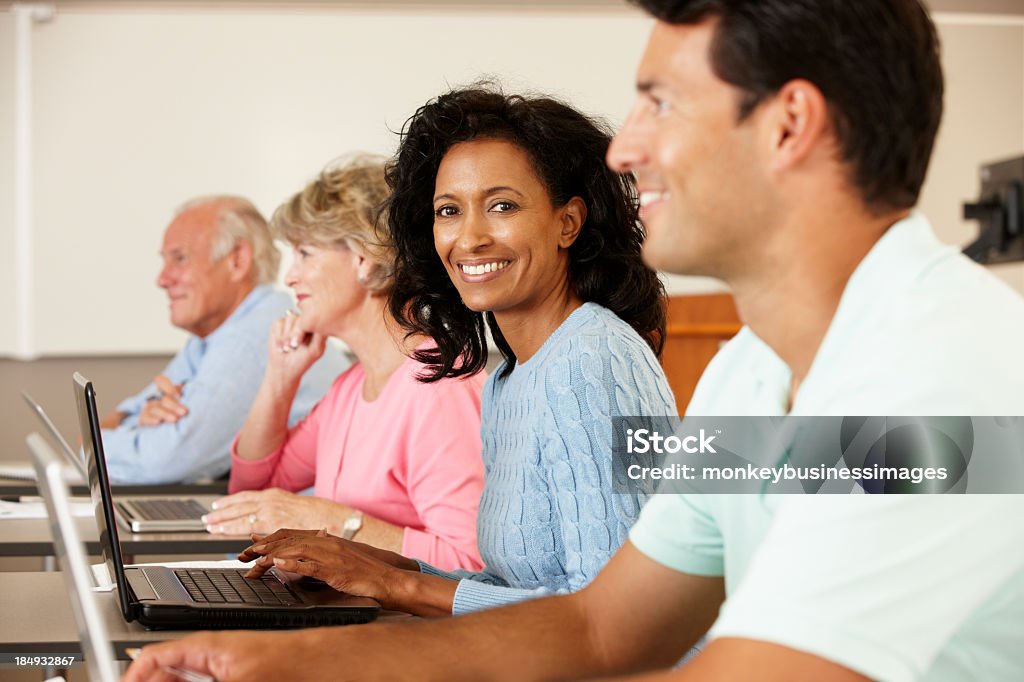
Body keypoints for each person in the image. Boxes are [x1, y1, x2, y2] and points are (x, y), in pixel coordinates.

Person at [125, 1, 1024, 680]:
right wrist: (283, 661)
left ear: (790, 123)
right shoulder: (749, 375)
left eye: (660, 103)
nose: (626, 149)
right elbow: (605, 621)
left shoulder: (941, 377)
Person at [233, 85, 677, 617]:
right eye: (449, 210)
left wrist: (396, 585)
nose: (469, 238)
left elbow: (619, 613)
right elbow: (510, 582)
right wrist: (372, 567)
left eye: (502, 206)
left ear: (568, 222)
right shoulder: (511, 377)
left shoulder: (593, 360)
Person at [199, 156, 485, 571]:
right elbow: (255, 493)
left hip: (406, 630)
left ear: (363, 258)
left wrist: (332, 522)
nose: (291, 278)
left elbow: (469, 564)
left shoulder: (439, 388)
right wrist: (280, 379)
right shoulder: (351, 387)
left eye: (305, 253)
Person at [100, 196, 345, 484]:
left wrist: (98, 441)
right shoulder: (213, 334)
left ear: (237, 260)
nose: (162, 279)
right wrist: (141, 416)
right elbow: (119, 419)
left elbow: (162, 462)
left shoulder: (251, 339)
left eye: (180, 258)